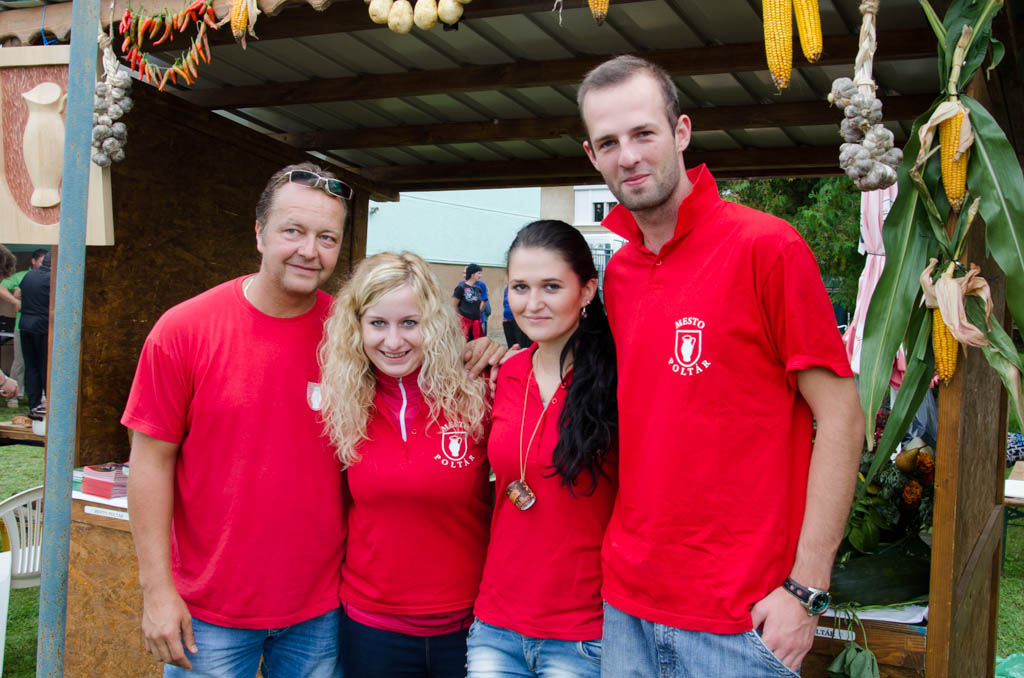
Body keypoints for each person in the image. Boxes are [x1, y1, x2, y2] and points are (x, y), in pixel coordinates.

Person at [577, 56, 864, 677]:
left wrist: (807, 589)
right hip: (628, 604)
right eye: (609, 143)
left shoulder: (768, 247)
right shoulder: (620, 273)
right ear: (592, 155)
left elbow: (842, 419)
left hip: (742, 617)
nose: (629, 156)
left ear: (681, 132)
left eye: (644, 133)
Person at [122, 162, 352, 677]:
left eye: (327, 238)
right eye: (293, 231)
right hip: (208, 614)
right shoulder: (184, 330)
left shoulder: (354, 334)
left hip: (321, 609)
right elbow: (151, 462)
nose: (309, 250)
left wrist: (483, 353)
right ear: (259, 233)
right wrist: (156, 591)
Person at [319, 251, 491, 678]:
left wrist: (496, 350)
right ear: (356, 327)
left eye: (409, 323)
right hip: (372, 629)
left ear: (433, 324)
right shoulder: (343, 403)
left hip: (470, 625)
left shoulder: (478, 391)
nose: (393, 342)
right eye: (378, 323)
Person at [468, 220, 618, 678]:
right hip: (497, 623)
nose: (533, 304)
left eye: (551, 287)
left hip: (584, 631)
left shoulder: (619, 378)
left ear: (587, 290)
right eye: (520, 287)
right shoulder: (504, 374)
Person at [1, 248, 46, 407]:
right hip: (24, 327)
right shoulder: (23, 276)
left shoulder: (51, 277)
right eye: (42, 261)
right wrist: (15, 300)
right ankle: (14, 395)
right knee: (21, 362)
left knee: (41, 363)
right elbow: (6, 289)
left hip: (41, 328)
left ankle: (40, 397)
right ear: (33, 261)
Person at [19, 251, 50, 420]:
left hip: (25, 325)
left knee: (31, 367)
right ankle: (49, 407)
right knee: (46, 367)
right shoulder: (52, 279)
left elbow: (19, 294)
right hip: (43, 327)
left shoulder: (29, 275)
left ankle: (34, 406)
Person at [452, 263, 486, 341]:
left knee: (476, 344)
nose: (481, 275)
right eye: (479, 273)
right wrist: (459, 318)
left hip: (476, 323)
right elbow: (454, 305)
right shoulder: (460, 288)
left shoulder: (478, 289)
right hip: (465, 324)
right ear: (472, 274)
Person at [501, 284, 532, 349]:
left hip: (518, 320)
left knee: (521, 345)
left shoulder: (524, 288)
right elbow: (504, 303)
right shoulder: (507, 289)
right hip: (507, 320)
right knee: (511, 346)